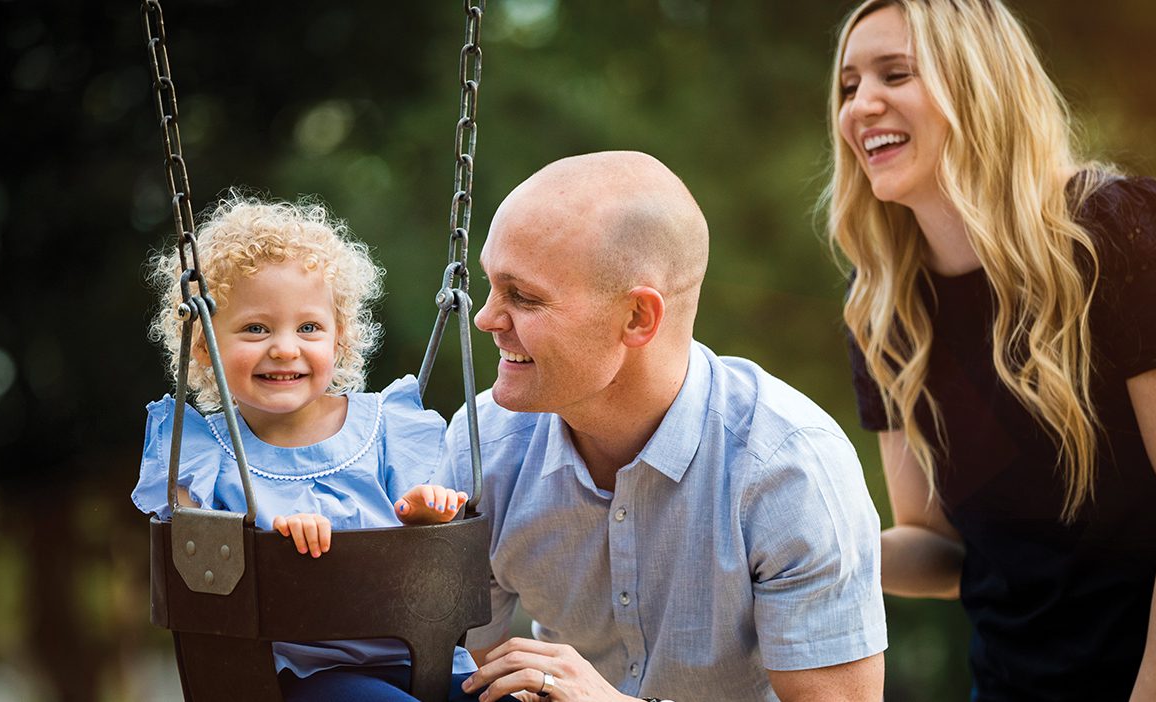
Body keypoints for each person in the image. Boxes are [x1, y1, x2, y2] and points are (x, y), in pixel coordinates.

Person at [826, 1, 1156, 700]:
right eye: (847, 86)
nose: (861, 105)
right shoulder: (882, 308)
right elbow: (942, 548)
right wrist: (812, 549)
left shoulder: (1122, 231)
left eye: (894, 74)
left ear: (978, 82)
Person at [443, 151, 888, 702]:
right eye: (490, 285)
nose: (485, 318)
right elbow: (463, 671)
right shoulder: (483, 446)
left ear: (637, 318)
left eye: (524, 297)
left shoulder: (788, 470)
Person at [131, 194, 503, 702]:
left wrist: (424, 513)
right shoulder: (205, 453)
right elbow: (191, 550)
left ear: (341, 339)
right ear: (203, 344)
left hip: (427, 655)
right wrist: (273, 543)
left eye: (308, 327)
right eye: (256, 328)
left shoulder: (386, 427)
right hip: (313, 679)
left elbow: (418, 538)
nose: (285, 347)